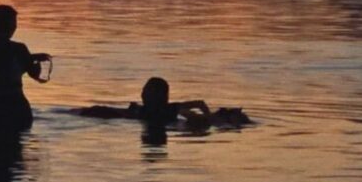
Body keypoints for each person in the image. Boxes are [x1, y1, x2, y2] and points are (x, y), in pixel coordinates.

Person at [0, 5, 51, 130]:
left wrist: (32, 57)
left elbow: (3, 60)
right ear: (10, 25)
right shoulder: (19, 49)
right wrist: (38, 63)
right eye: (14, 22)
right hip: (16, 104)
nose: (16, 26)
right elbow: (35, 74)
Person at [76, 76, 251, 127]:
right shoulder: (166, 109)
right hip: (114, 114)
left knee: (85, 112)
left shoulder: (163, 110)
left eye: (145, 91)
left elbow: (191, 108)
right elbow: (195, 104)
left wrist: (204, 115)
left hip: (112, 115)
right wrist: (204, 113)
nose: (141, 94)